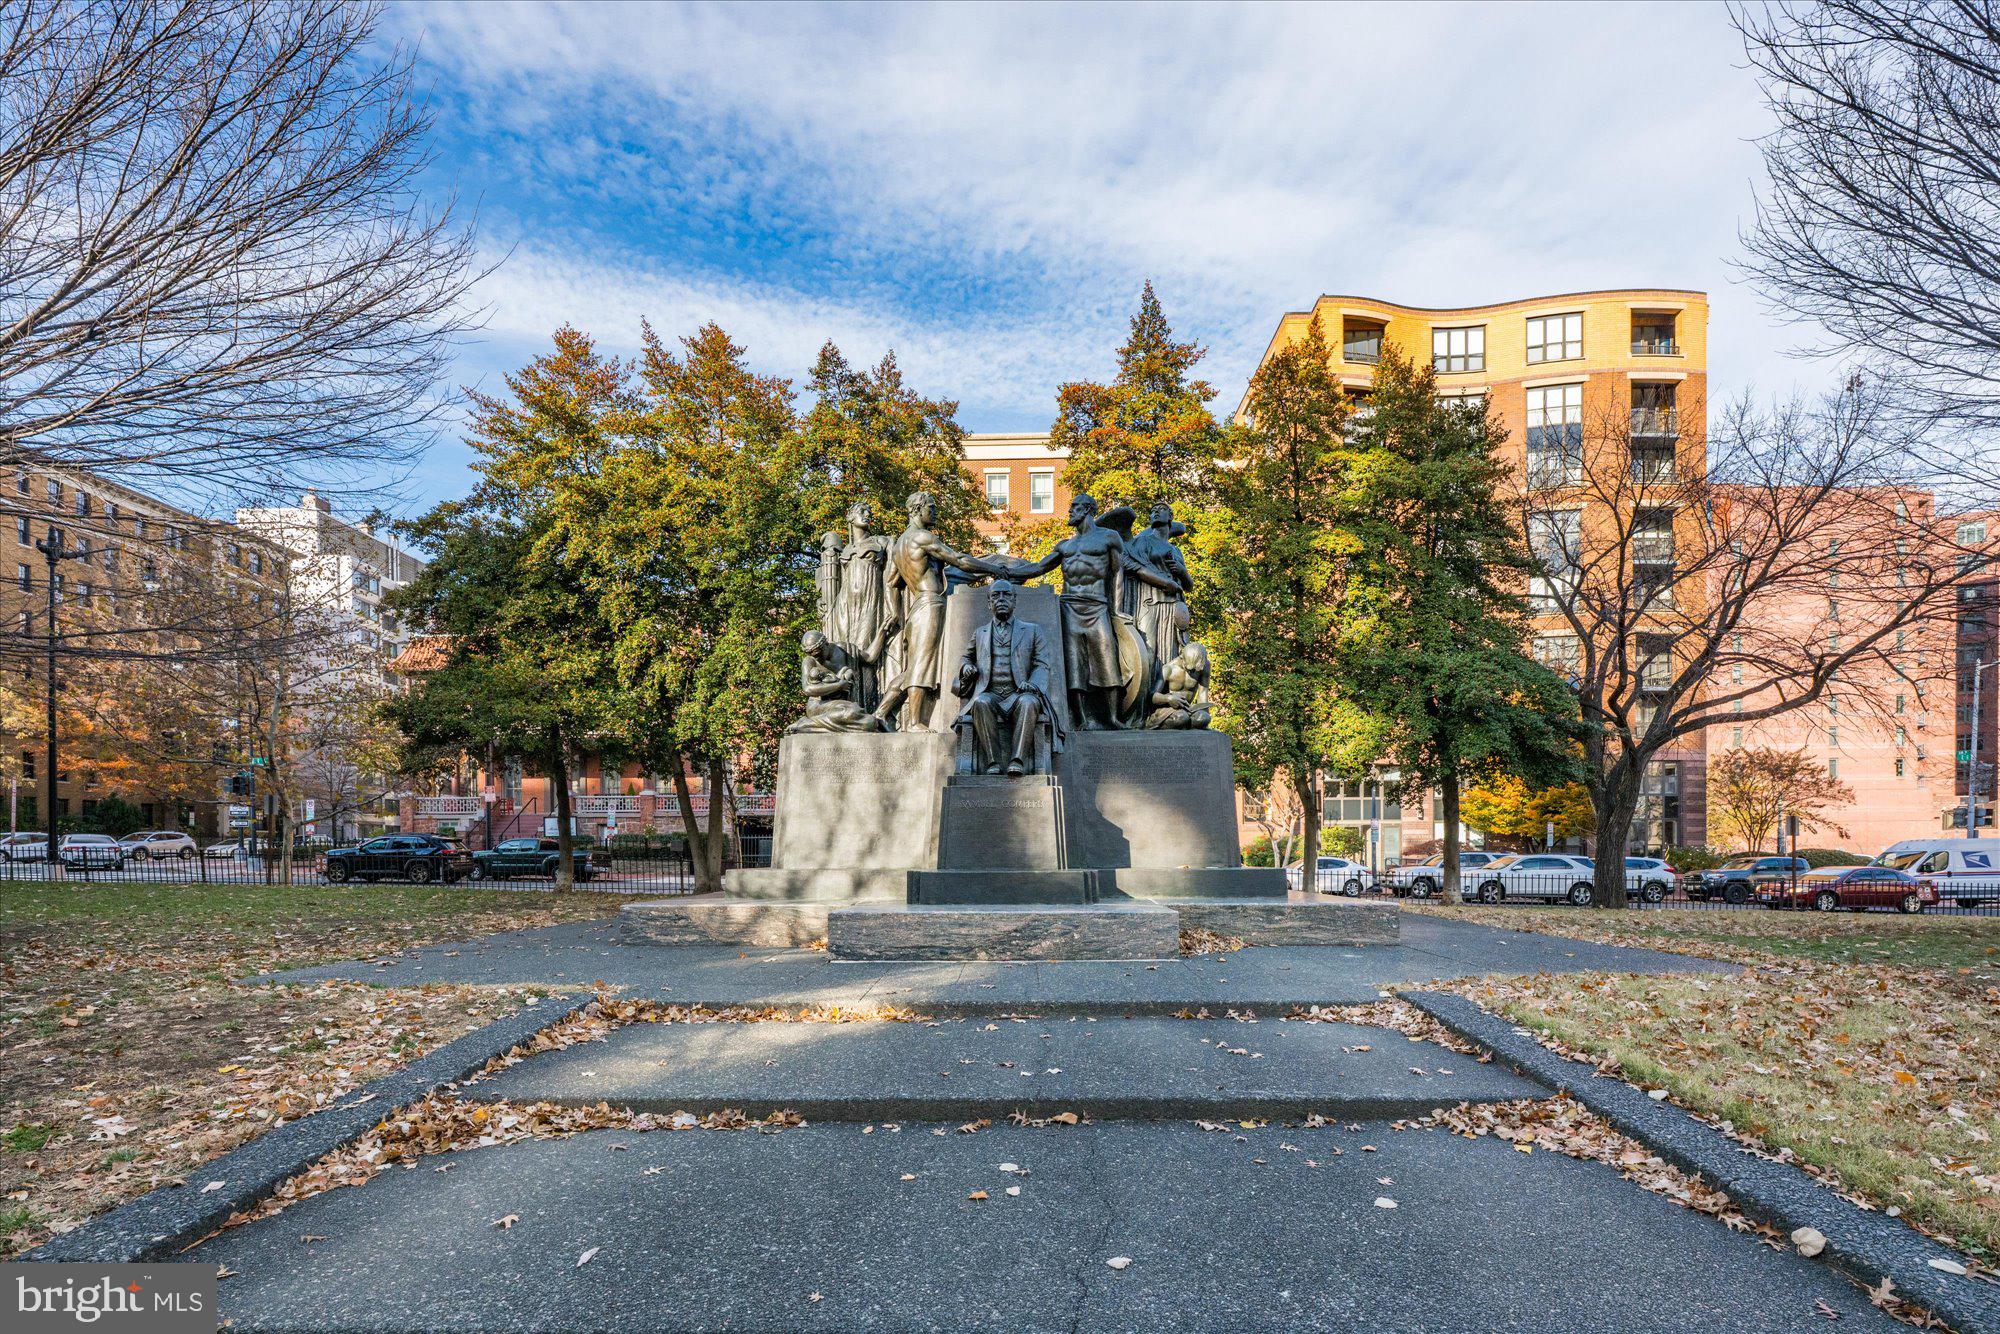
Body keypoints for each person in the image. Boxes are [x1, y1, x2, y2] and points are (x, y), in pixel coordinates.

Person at [991, 492, 1129, 730]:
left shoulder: (1109, 538)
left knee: (1107, 659)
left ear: (1087, 509)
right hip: (1068, 607)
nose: (1070, 511)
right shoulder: (1065, 546)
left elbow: (1118, 573)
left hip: (1097, 606)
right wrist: (1007, 573)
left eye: (1074, 507)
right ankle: (1082, 719)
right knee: (1074, 664)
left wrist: (1117, 609)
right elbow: (1038, 568)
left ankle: (1113, 718)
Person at [872, 491, 1002, 730]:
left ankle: (881, 713)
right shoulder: (921, 537)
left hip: (917, 607)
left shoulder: (900, 544)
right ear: (918, 510)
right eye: (931, 507)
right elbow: (958, 559)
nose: (935, 511)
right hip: (931, 604)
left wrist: (895, 613)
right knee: (922, 665)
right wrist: (994, 568)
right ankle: (914, 723)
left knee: (913, 667)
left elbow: (891, 583)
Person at [950, 582, 1060, 775]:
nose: (1001, 599)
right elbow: (966, 657)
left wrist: (1032, 685)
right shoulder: (980, 633)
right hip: (991, 693)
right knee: (980, 702)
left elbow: (1042, 663)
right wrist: (967, 666)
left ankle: (1017, 760)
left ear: (1014, 601)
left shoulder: (1032, 630)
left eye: (1007, 595)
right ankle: (993, 762)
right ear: (989, 603)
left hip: (1019, 693)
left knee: (1029, 702)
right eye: (995, 596)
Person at [786, 631, 884, 734]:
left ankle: (808, 725)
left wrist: (883, 631)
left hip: (841, 705)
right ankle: (804, 724)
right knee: (852, 712)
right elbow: (808, 689)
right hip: (818, 705)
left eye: (818, 654)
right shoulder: (809, 661)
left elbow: (870, 657)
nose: (816, 658)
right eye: (812, 655)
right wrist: (839, 686)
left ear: (826, 645)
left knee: (869, 722)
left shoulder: (843, 650)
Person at [1145, 641, 1213, 730]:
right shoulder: (1168, 669)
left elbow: (1203, 692)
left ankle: (1188, 726)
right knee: (1181, 718)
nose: (1191, 672)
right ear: (1182, 658)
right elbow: (1152, 696)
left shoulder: (1204, 666)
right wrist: (1169, 699)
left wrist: (1204, 714)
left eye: (1194, 670)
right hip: (1167, 710)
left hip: (1189, 709)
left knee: (1203, 719)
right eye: (1189, 669)